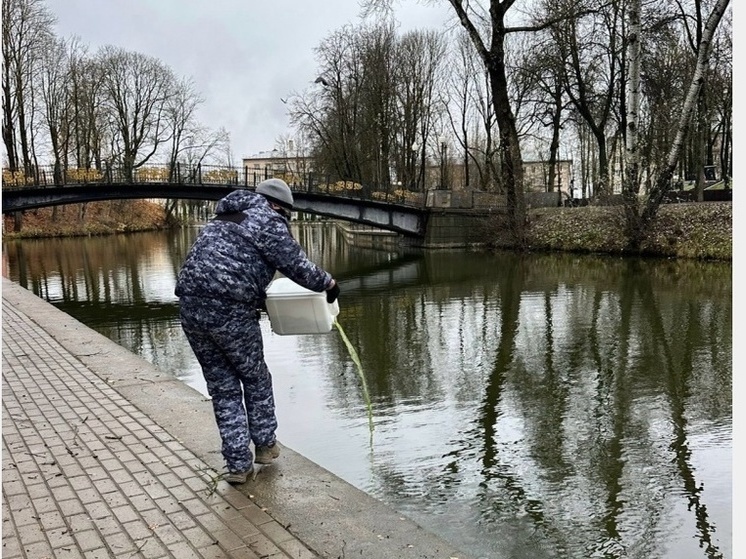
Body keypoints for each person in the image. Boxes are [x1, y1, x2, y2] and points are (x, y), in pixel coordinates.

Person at [175, 178, 340, 484]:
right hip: (230, 309)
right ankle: (264, 446)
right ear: (279, 206)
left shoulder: (222, 218)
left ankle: (238, 465)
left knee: (223, 388)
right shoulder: (266, 218)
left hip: (190, 307)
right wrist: (328, 284)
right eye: (286, 216)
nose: (284, 221)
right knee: (255, 377)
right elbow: (297, 265)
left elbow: (224, 264)